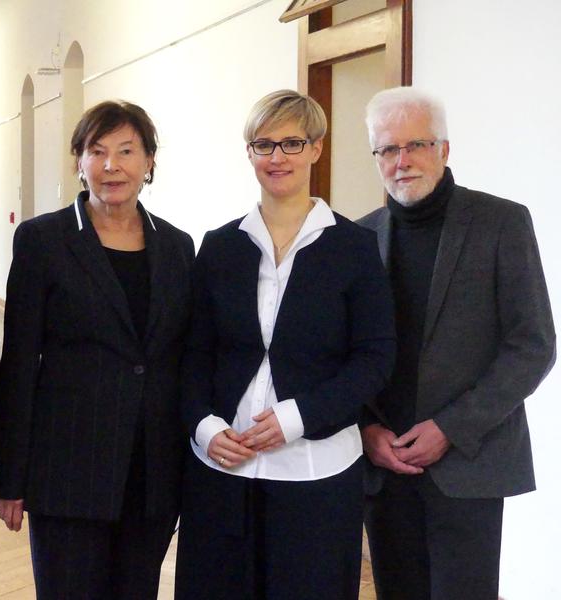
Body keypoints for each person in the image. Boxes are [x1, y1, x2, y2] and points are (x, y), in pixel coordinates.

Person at [174, 89, 396, 599]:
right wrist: (206, 428)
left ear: (317, 148)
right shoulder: (220, 245)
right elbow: (193, 354)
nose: (278, 158)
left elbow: (375, 358)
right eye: (264, 144)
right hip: (222, 469)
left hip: (317, 471)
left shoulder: (355, 248)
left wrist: (298, 417)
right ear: (249, 153)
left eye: (292, 143)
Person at [358, 86, 556, 600]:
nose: (402, 162)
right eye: (387, 149)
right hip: (385, 466)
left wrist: (449, 428)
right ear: (376, 156)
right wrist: (364, 430)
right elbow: (345, 354)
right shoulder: (356, 238)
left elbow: (533, 344)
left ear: (444, 149)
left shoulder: (502, 222)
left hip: (469, 462)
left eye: (417, 145)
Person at [0, 100, 194, 599]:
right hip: (68, 469)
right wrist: (10, 476)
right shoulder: (43, 241)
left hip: (152, 472)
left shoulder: (177, 246)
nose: (111, 166)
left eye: (127, 151)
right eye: (96, 151)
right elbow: (18, 362)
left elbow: (180, 358)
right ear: (79, 161)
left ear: (149, 161)